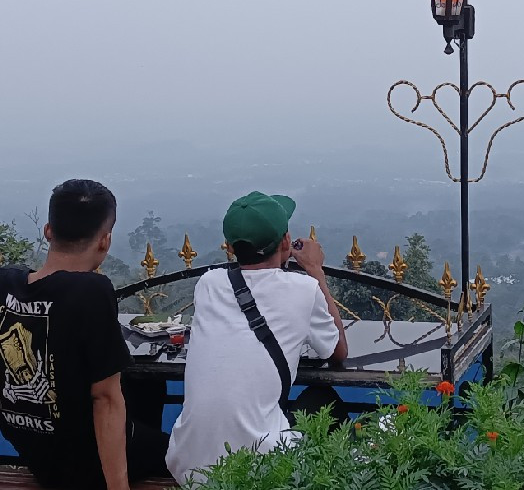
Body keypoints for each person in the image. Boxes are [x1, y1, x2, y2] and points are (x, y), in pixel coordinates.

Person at [166, 191, 348, 485]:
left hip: (189, 468)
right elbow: (338, 352)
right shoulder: (303, 289)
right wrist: (315, 270)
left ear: (231, 246)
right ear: (286, 242)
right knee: (324, 400)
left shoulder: (209, 284)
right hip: (257, 471)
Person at [0, 179, 169, 489]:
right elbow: (105, 399)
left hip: (35, 448)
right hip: (81, 461)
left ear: (48, 230)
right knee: (177, 449)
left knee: (144, 392)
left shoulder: (6, 283)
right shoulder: (89, 290)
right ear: (105, 240)